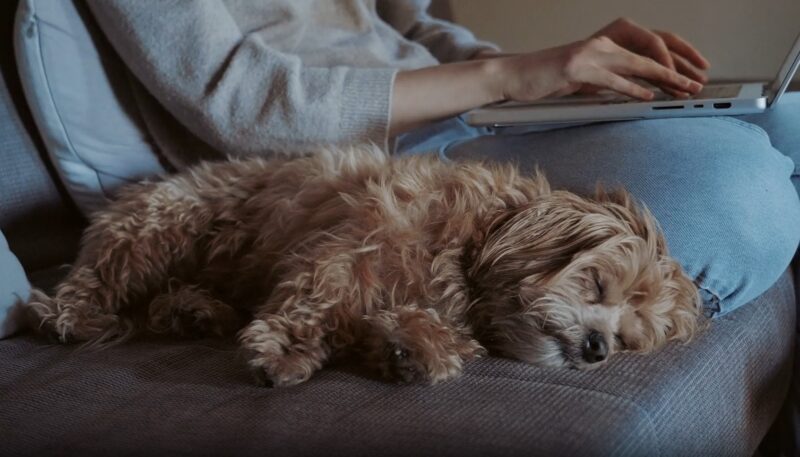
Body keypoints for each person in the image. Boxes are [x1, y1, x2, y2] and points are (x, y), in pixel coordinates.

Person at [84, 0, 800, 319]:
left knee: (791, 120)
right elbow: (235, 101)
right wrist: (510, 78)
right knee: (743, 192)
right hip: (357, 162)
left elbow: (413, 27)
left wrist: (552, 80)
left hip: (467, 117)